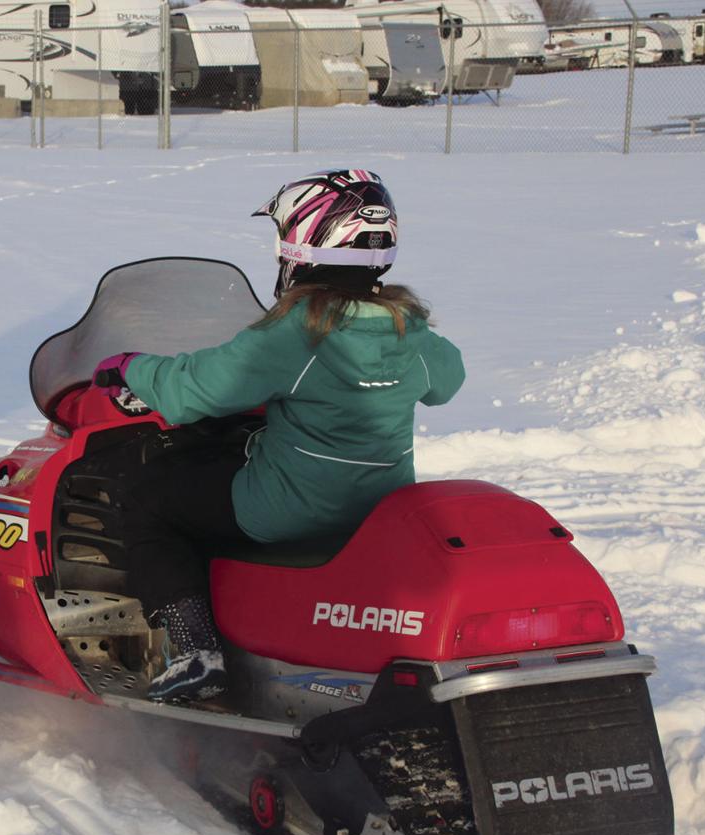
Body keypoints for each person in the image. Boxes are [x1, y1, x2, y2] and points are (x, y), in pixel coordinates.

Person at [93, 169, 464, 704]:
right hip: (380, 508)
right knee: (232, 456)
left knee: (151, 498)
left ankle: (197, 650)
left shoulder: (300, 331)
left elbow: (197, 390)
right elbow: (447, 384)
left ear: (305, 241)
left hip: (290, 508)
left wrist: (131, 368)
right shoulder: (407, 328)